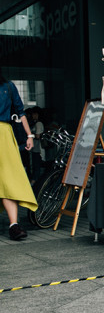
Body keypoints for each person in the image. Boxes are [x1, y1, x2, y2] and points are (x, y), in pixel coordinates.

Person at [0, 71, 38, 241]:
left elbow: (21, 112)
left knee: (9, 180)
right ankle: (13, 225)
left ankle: (13, 225)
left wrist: (29, 135)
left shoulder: (8, 86)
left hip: (4, 134)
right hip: (4, 135)